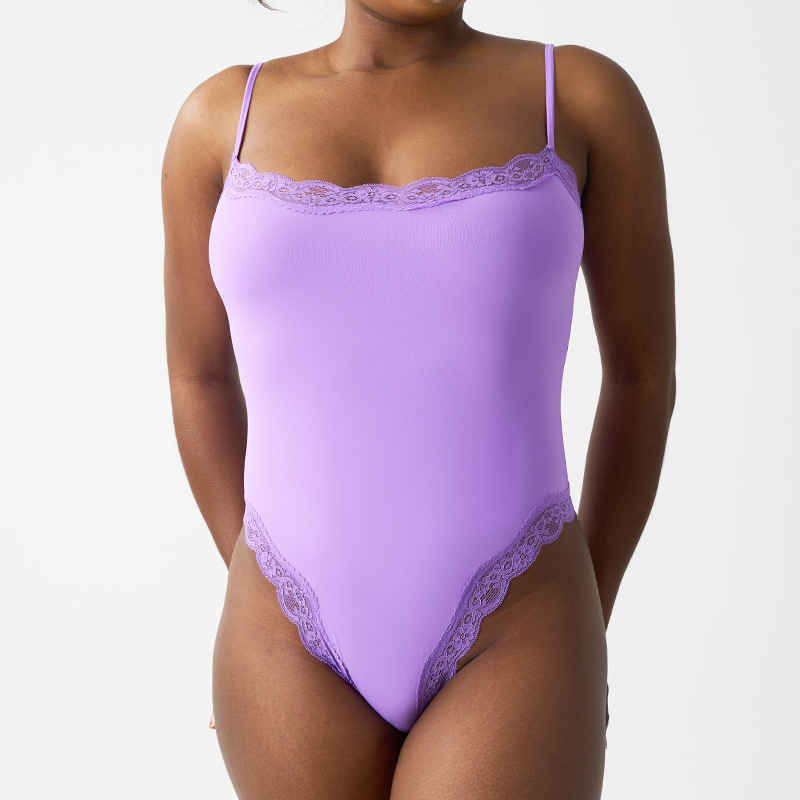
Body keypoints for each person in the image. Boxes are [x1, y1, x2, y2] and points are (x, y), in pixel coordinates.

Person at [162, 3, 675, 798]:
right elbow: (197, 375)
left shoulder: (576, 97)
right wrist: (252, 584)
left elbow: (642, 378)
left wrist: (586, 617)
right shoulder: (220, 118)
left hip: (523, 620)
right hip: (281, 638)